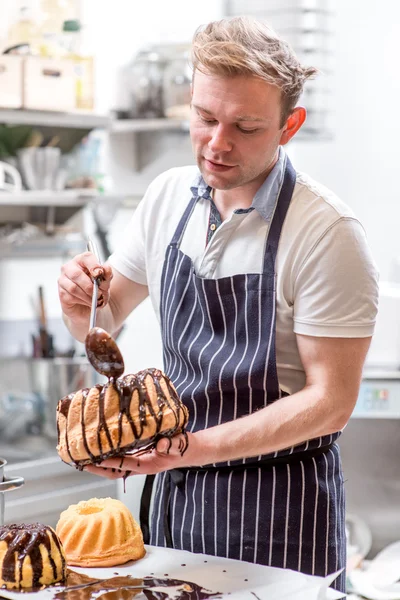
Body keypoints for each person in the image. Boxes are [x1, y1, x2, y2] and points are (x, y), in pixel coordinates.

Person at [58, 16, 378, 593]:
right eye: (205, 118)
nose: (217, 143)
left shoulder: (327, 232)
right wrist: (79, 299)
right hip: (173, 508)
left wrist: (188, 448)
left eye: (246, 127)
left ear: (290, 125)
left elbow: (332, 401)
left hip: (278, 516)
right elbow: (102, 323)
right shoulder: (165, 198)